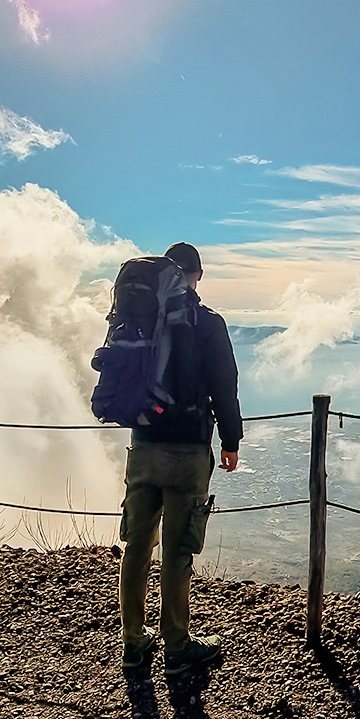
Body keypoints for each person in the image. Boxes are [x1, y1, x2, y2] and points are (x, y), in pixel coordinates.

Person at [118, 242, 243, 676]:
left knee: (136, 542)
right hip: (188, 448)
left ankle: (133, 642)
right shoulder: (206, 323)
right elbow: (224, 386)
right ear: (198, 276)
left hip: (143, 443)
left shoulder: (141, 320)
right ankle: (176, 646)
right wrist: (231, 439)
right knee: (177, 548)